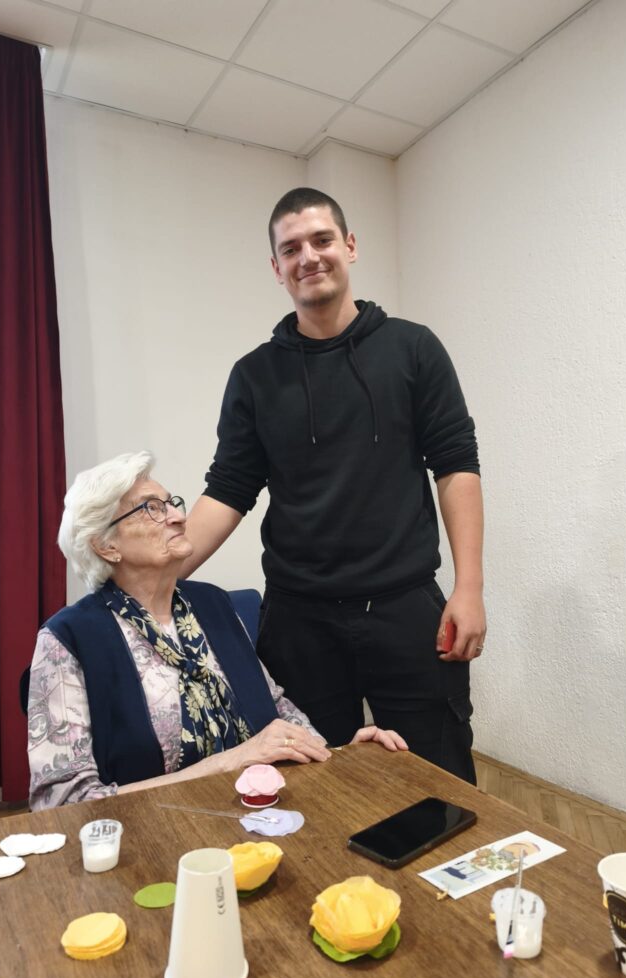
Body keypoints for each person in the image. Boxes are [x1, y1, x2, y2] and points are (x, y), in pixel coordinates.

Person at [182, 187, 485, 783]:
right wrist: (153, 575)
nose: (309, 257)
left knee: (439, 782)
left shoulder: (414, 348)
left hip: (406, 609)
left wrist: (469, 587)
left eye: (321, 240)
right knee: (312, 789)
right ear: (277, 268)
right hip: (299, 621)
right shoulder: (254, 376)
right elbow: (228, 490)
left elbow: (456, 465)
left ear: (349, 246)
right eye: (291, 248)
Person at [27, 451, 405, 810]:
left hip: (260, 810)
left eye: (171, 503)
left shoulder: (214, 605)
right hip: (150, 837)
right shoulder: (68, 639)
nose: (178, 517)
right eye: (151, 509)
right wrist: (233, 760)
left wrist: (335, 755)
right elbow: (62, 803)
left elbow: (275, 706)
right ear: (105, 546)